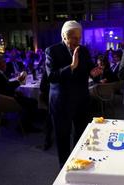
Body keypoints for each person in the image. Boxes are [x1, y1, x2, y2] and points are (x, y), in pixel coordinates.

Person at [45, 20, 98, 168]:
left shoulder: (84, 50)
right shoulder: (52, 51)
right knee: (63, 136)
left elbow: (91, 70)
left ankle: (78, 162)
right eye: (74, 38)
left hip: (81, 100)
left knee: (81, 135)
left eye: (79, 38)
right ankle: (64, 167)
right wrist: (72, 66)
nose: (77, 41)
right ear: (64, 36)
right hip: (61, 102)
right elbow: (52, 77)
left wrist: (95, 73)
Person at [0, 54, 39, 132]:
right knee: (33, 102)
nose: (6, 63)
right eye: (4, 61)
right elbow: (7, 88)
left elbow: (5, 87)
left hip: (3, 98)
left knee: (27, 99)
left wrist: (16, 90)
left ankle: (24, 123)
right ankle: (25, 126)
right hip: (6, 101)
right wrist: (19, 81)